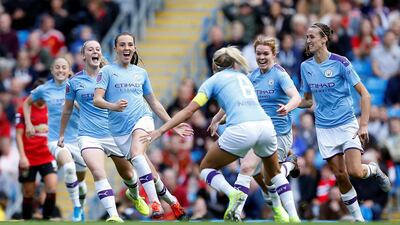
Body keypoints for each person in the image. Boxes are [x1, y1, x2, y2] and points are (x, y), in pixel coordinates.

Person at [140, 46, 299, 222]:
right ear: (233, 64)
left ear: (214, 65)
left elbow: (189, 111)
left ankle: (233, 194)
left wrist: (161, 130)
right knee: (274, 174)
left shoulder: (212, 81)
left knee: (206, 168)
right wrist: (217, 119)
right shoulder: (244, 78)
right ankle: (294, 217)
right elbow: (238, 102)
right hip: (266, 126)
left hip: (242, 129)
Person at [299, 22, 391, 222]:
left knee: (355, 171)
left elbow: (365, 95)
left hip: (347, 123)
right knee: (340, 175)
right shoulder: (305, 66)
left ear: (324, 38)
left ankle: (373, 169)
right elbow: (307, 100)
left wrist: (363, 125)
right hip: (324, 128)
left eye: (312, 37)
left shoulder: (341, 62)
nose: (308, 41)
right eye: (307, 37)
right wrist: (286, 105)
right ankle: (358, 219)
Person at [93, 32, 191, 220]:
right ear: (116, 49)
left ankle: (154, 203)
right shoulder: (106, 72)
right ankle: (173, 202)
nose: (126, 48)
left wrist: (173, 124)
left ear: (135, 48)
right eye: (122, 45)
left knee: (137, 154)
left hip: (142, 119)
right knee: (150, 174)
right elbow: (97, 100)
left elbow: (154, 103)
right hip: (119, 131)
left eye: (130, 44)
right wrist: (113, 106)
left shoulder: (141, 73)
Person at [209, 36, 301, 222]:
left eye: (266, 53)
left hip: (278, 133)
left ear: (274, 55)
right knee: (267, 179)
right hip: (257, 130)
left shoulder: (280, 74)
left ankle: (235, 212)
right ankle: (288, 174)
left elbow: (296, 97)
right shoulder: (252, 77)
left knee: (249, 167)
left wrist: (287, 107)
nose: (261, 57)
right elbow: (235, 101)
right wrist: (217, 119)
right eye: (258, 53)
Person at [58, 40, 149, 222]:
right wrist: (61, 134)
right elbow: (67, 109)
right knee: (98, 172)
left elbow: (126, 102)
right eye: (90, 49)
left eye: (98, 49)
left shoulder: (112, 77)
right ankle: (114, 215)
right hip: (88, 135)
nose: (94, 51)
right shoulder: (74, 82)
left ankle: (135, 195)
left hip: (114, 133)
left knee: (129, 175)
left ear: (101, 54)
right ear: (83, 56)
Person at [23, 57, 87, 222]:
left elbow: (89, 107)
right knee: (69, 169)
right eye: (57, 67)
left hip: (78, 140)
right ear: (52, 70)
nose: (60, 70)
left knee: (80, 180)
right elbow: (26, 103)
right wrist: (29, 123)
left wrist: (80, 106)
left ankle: (81, 205)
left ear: (68, 71)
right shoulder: (44, 89)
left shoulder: (76, 87)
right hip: (56, 140)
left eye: (63, 67)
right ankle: (76, 208)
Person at [16, 78, 57, 220]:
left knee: (51, 188)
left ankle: (46, 218)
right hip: (29, 157)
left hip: (47, 156)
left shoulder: (52, 108)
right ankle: (27, 220)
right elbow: (18, 135)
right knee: (28, 193)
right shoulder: (24, 108)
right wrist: (22, 156)